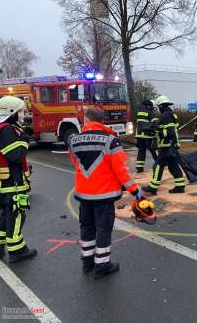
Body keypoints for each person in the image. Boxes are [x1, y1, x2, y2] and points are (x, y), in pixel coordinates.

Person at [68, 107, 143, 279]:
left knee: (86, 227)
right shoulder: (111, 141)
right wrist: (136, 192)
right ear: (102, 121)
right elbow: (122, 172)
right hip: (104, 196)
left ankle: (87, 262)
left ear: (87, 120)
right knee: (103, 229)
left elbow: (76, 163)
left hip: (84, 195)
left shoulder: (74, 140)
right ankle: (102, 265)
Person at [0, 96, 36, 263]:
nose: (23, 113)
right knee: (16, 214)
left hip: (5, 183)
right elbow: (14, 155)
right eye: (20, 111)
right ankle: (17, 250)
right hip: (13, 183)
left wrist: (22, 133)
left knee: (6, 215)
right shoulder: (6, 130)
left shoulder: (3, 127)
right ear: (11, 112)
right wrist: (25, 140)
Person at [143, 96, 186, 194]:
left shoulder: (166, 115)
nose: (158, 109)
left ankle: (153, 187)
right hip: (170, 146)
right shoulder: (171, 115)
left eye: (158, 107)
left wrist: (158, 133)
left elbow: (170, 131)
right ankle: (180, 186)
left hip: (166, 146)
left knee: (158, 166)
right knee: (173, 166)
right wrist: (153, 130)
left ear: (161, 106)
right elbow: (169, 129)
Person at [135, 99, 158, 173]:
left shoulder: (139, 113)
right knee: (154, 150)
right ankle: (160, 163)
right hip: (148, 136)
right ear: (150, 106)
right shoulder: (150, 113)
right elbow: (155, 124)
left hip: (139, 136)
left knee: (141, 151)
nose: (153, 109)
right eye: (153, 107)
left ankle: (139, 168)